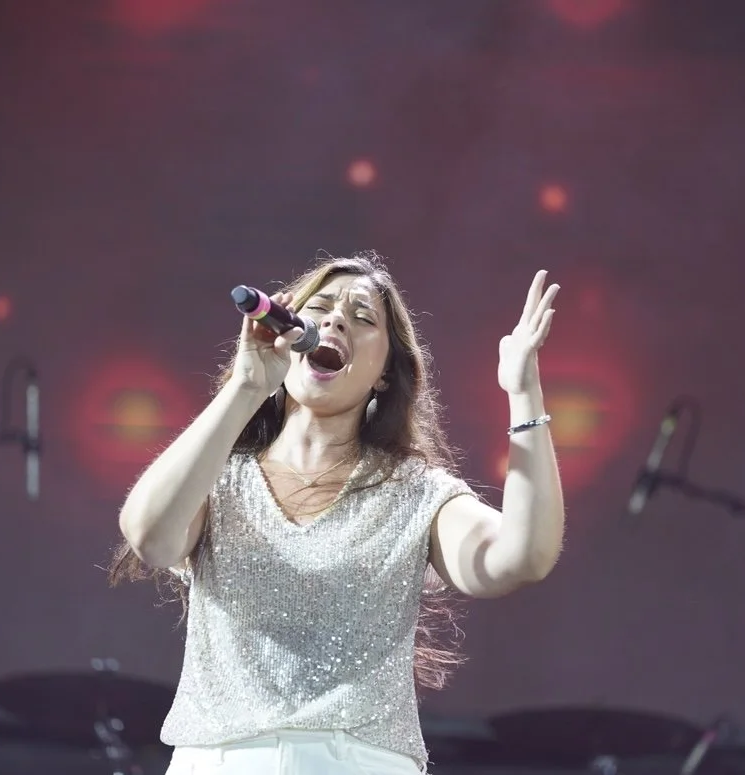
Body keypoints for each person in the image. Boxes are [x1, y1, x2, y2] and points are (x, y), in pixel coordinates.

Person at [109, 251, 565, 774]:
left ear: (385, 376)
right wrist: (248, 385)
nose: (334, 320)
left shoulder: (415, 493)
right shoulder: (221, 478)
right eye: (319, 309)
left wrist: (524, 393)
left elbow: (520, 557)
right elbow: (149, 534)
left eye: (363, 318)